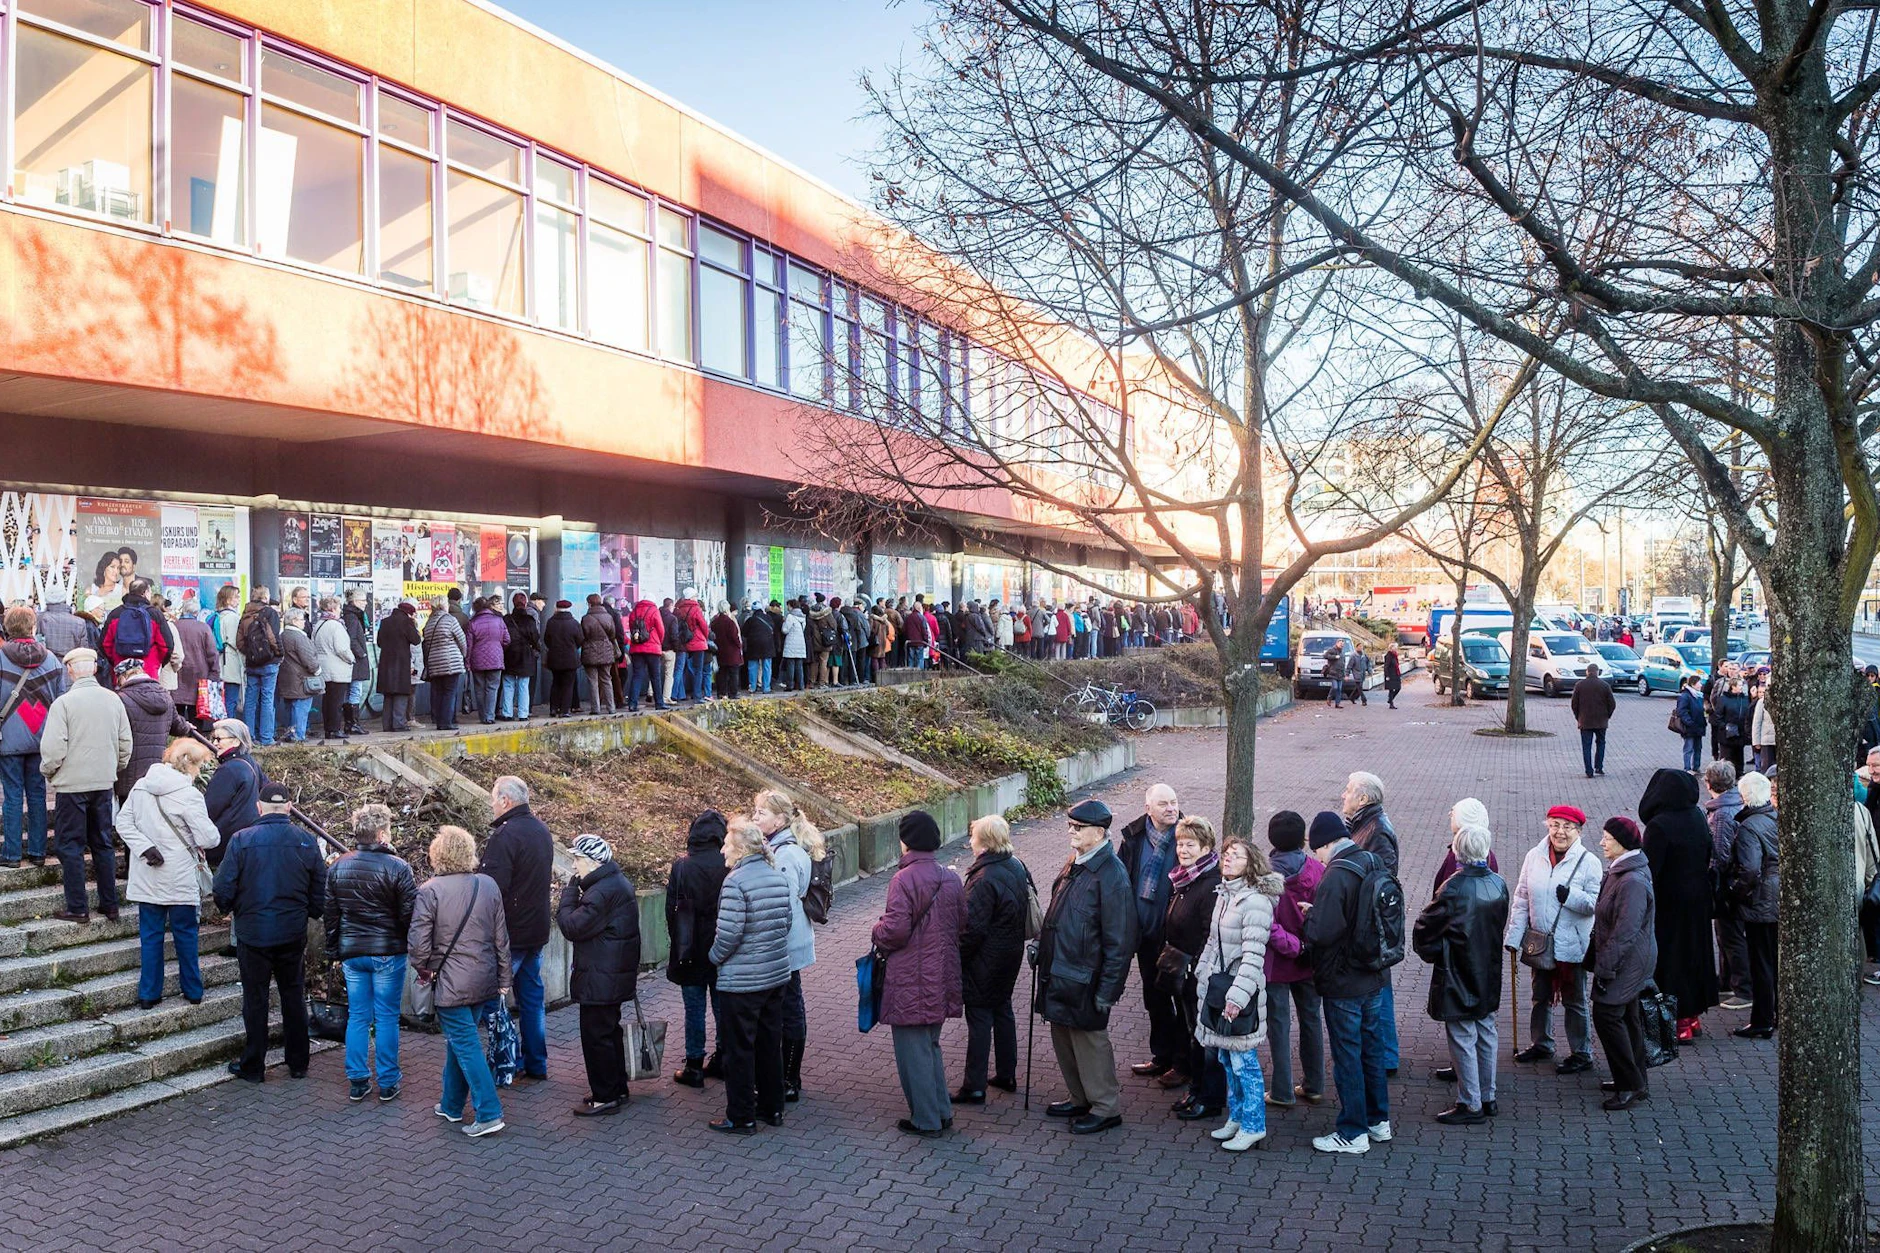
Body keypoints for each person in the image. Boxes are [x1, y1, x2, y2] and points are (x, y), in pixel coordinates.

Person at [212, 781, 324, 1083]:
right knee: (293, 995)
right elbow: (319, 890)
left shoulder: (242, 840)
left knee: (256, 999)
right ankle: (298, 1062)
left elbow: (222, 888)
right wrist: (310, 912)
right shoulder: (306, 840)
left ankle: (254, 1066)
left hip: (253, 932)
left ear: (258, 808)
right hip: (291, 931)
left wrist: (234, 908)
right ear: (289, 807)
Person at [1037, 798, 1137, 1136]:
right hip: (1062, 973)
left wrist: (1108, 990)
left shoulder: (1112, 876)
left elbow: (1120, 942)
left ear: (1099, 832)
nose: (1071, 832)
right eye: (1070, 826)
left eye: (1078, 828)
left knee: (1091, 1043)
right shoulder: (1077, 862)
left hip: (1086, 979)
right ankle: (1079, 1098)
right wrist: (1042, 945)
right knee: (1064, 1037)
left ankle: (1105, 1107)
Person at [869, 810, 967, 1137]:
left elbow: (895, 931)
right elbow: (961, 924)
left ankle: (925, 1119)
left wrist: (876, 930)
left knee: (913, 1051)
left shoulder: (904, 879)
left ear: (906, 841)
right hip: (942, 974)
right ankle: (941, 1111)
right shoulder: (950, 877)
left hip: (911, 976)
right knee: (931, 1045)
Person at [409, 825, 510, 1136]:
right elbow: (501, 938)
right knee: (460, 1043)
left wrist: (425, 970)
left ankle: (490, 1113)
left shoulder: (430, 890)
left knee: (466, 1045)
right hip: (484, 980)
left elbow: (418, 945)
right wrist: (504, 978)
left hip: (451, 983)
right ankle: (451, 1105)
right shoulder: (488, 885)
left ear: (438, 854)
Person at [1303, 810, 1392, 1155]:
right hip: (1374, 973)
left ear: (1325, 844)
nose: (1318, 859)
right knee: (1372, 1049)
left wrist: (1309, 915)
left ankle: (1352, 1132)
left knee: (1347, 1055)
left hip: (1343, 980)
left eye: (1318, 851)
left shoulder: (1336, 875)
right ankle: (1377, 1120)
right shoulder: (1371, 860)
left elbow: (1322, 933)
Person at [1413, 819, 1509, 1125]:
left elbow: (1425, 927)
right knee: (1485, 1031)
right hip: (1488, 968)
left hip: (1458, 970)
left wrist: (1434, 952)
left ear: (1457, 851)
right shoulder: (1498, 883)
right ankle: (1487, 1095)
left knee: (1464, 1034)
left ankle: (1471, 1102)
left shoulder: (1453, 888)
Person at [115, 739, 220, 1009]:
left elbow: (122, 822)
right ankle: (192, 989)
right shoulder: (189, 795)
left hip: (148, 874)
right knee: (186, 934)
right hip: (180, 877)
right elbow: (209, 838)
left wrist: (144, 847)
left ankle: (149, 994)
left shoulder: (141, 786)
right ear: (191, 765)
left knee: (150, 936)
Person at [1194, 834, 1283, 1151]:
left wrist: (1236, 997)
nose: (1227, 858)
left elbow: (1253, 956)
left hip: (1238, 995)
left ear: (1252, 865)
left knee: (1244, 1061)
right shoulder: (1224, 895)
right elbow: (1212, 943)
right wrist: (1201, 972)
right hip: (1217, 989)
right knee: (1225, 1056)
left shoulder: (1255, 902)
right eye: (1226, 853)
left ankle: (1254, 1124)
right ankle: (1236, 1117)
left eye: (1236, 855)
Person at [324, 803, 417, 1102]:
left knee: (358, 1016)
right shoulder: (398, 867)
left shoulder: (339, 865)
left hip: (353, 952)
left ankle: (357, 1079)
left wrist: (333, 950)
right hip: (387, 951)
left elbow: (331, 914)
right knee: (387, 1017)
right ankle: (388, 1082)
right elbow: (409, 914)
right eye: (388, 829)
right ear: (380, 834)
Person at [707, 817, 794, 1134]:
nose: (723, 850)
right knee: (770, 1044)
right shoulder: (776, 876)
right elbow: (785, 925)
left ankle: (741, 1116)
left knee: (739, 1050)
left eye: (727, 844)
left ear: (741, 848)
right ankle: (772, 1108)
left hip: (743, 982)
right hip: (775, 976)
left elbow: (728, 935)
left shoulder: (735, 882)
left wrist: (713, 958)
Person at [1502, 804, 1604, 1074]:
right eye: (1555, 825)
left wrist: (1570, 897)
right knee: (1540, 996)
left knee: (1575, 1000)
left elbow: (1595, 904)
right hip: (1540, 941)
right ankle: (1541, 1043)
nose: (1560, 832)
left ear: (1579, 830)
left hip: (1572, 945)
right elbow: (1522, 897)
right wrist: (1514, 936)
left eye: (1567, 827)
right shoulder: (1534, 856)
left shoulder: (1589, 862)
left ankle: (1581, 1052)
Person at [40, 648, 131, 924]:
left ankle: (78, 907)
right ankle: (110, 904)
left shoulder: (63, 704)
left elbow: (53, 749)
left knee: (70, 846)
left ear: (70, 671)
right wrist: (112, 768)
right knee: (103, 843)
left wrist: (50, 773)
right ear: (93, 669)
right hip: (102, 782)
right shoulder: (114, 700)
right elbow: (125, 744)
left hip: (71, 785)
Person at [556, 833, 642, 1116]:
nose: (574, 866)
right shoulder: (614, 884)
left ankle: (605, 1096)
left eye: (577, 859)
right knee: (608, 1032)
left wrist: (569, 893)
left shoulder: (602, 892)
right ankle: (616, 1089)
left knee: (597, 1037)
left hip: (601, 977)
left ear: (592, 862)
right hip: (610, 975)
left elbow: (571, 926)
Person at [480, 776, 554, 1084]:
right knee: (532, 999)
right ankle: (535, 1062)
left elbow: (491, 889)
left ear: (506, 801)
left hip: (510, 935)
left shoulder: (504, 837)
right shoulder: (541, 831)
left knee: (489, 998)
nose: (492, 805)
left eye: (494, 800)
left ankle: (506, 1058)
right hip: (536, 929)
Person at [1639, 767, 1720, 1041]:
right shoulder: (1696, 816)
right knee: (1695, 955)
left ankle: (1676, 1021)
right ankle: (1692, 1015)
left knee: (1670, 961)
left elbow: (1651, 869)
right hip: (1698, 899)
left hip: (1669, 905)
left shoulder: (1659, 825)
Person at [753, 788, 821, 1101]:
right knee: (787, 1007)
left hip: (785, 948)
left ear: (780, 819)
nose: (755, 818)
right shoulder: (781, 848)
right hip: (788, 945)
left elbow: (783, 906)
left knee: (789, 1009)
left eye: (761, 813)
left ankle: (790, 1078)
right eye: (754, 812)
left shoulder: (784, 854)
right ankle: (786, 1075)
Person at [956, 814, 1028, 1104]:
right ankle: (1006, 1073)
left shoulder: (983, 878)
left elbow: (971, 929)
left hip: (984, 959)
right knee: (1003, 1009)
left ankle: (974, 1085)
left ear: (983, 842)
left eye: (974, 836)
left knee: (979, 1017)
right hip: (1010, 953)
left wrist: (957, 958)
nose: (970, 841)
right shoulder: (1016, 866)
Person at [1118, 782, 1184, 1081]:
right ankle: (1162, 1055)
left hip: (1175, 938)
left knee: (1182, 1000)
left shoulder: (1187, 836)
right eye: (1163, 804)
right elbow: (1122, 881)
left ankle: (1183, 1064)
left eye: (1173, 802)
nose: (1171, 808)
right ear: (1148, 809)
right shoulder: (1133, 838)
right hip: (1144, 936)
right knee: (1154, 997)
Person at [1591, 815, 1657, 1111]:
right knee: (1627, 1017)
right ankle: (1634, 1080)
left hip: (1626, 962)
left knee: (1607, 1015)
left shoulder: (1631, 880)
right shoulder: (1622, 872)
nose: (1602, 842)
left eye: (1607, 838)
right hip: (1628, 959)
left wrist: (1605, 967)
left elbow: (1625, 932)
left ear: (1622, 842)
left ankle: (1629, 1084)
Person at [1160, 815, 1225, 1117]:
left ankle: (1208, 1098)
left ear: (1206, 847)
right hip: (1183, 973)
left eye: (1190, 845)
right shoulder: (1185, 879)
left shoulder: (1209, 885)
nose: (1183, 850)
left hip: (1200, 976)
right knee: (1192, 1033)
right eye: (1180, 844)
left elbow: (1209, 934)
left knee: (1204, 1038)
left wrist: (1195, 969)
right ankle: (1196, 1089)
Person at [1263, 810, 1326, 1107]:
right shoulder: (1318, 869)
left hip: (1277, 961)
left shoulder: (1264, 876)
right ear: (1303, 838)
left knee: (1278, 1024)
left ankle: (1282, 1090)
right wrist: (1304, 946)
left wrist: (1291, 946)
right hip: (1309, 957)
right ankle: (1314, 1084)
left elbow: (1266, 925)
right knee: (1311, 1019)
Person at [1341, 770, 1401, 1073]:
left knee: (1379, 989)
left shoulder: (1375, 829)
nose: (1344, 795)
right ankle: (1385, 1054)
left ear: (1363, 798)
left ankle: (1387, 1057)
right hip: (1370, 922)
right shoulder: (1364, 824)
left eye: (1349, 790)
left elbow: (1383, 880)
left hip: (1372, 925)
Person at [0, 607, 67, 867]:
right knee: (38, 794)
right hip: (42, 737)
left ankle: (12, 854)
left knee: (13, 796)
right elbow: (61, 701)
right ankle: (38, 853)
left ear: (7, 628)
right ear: (33, 627)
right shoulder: (52, 659)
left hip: (9, 739)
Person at [668, 810, 729, 1087]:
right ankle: (723, 1057)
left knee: (693, 1008)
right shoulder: (729, 863)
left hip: (689, 948)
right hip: (721, 946)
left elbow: (672, 910)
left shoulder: (682, 866)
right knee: (721, 1005)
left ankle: (693, 1064)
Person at [1727, 771, 1779, 1039]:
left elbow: (1749, 870)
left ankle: (1761, 1020)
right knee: (1774, 960)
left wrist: (1735, 893)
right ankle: (1777, 1013)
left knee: (1761, 963)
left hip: (1760, 901)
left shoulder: (1749, 827)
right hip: (1777, 896)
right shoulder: (1774, 817)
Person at [1701, 761, 1753, 1012]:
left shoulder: (1720, 813)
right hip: (1737, 879)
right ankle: (1727, 980)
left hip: (1728, 882)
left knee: (1730, 934)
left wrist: (1710, 875)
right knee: (1727, 933)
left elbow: (1720, 853)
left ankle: (1742, 988)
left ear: (1709, 783)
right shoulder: (1735, 804)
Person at [235, 591, 282, 747]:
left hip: (252, 663)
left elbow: (239, 642)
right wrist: (279, 654)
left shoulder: (245, 615)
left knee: (250, 699)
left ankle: (248, 737)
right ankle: (266, 737)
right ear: (265, 597)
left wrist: (250, 654)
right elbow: (273, 637)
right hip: (269, 662)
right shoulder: (270, 613)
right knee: (267, 699)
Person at [309, 597, 355, 744]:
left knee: (327, 700)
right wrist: (351, 658)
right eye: (339, 607)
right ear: (333, 609)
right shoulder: (336, 626)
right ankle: (335, 729)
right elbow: (342, 648)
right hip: (337, 668)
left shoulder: (319, 624)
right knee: (336, 701)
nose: (340, 610)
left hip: (323, 667)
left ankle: (328, 729)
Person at [421, 596, 468, 731]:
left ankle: (440, 722)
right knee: (449, 692)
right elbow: (461, 640)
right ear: (443, 605)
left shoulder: (429, 622)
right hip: (450, 662)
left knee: (439, 693)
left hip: (434, 663)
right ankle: (447, 722)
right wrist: (463, 655)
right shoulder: (450, 620)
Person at [170, 601, 218, 729]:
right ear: (196, 613)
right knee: (196, 712)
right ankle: (196, 742)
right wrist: (214, 673)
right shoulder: (203, 628)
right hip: (199, 676)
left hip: (176, 674)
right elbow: (212, 653)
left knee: (177, 713)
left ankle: (178, 741)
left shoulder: (173, 626)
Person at [374, 600, 421, 733]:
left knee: (388, 694)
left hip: (386, 662)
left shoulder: (385, 621)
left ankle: (387, 725)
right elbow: (416, 640)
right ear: (409, 613)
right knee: (401, 693)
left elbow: (379, 642)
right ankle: (399, 724)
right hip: (401, 662)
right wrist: (413, 624)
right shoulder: (406, 622)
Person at [464, 597, 510, 725]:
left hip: (477, 660)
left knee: (479, 689)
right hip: (496, 659)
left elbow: (469, 645)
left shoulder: (472, 623)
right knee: (492, 688)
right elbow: (507, 640)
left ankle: (482, 716)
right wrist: (498, 647)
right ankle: (490, 717)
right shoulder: (499, 621)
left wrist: (467, 662)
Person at [275, 611, 319, 743]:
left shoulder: (283, 635)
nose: (304, 622)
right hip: (301, 679)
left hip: (287, 677)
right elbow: (308, 658)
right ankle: (298, 735)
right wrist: (317, 670)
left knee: (290, 707)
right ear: (294, 621)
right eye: (301, 620)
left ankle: (291, 733)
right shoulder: (298, 637)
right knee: (301, 708)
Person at [1571, 661, 1616, 778]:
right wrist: (1607, 716)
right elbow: (1612, 704)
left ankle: (1588, 770)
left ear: (1587, 672)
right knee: (1601, 743)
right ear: (1597, 672)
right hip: (1601, 721)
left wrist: (1578, 717)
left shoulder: (1579, 685)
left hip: (1585, 721)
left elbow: (1574, 704)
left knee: (1586, 746)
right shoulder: (1605, 685)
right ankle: (1599, 767)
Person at [340, 590, 372, 737]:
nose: (366, 603)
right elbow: (351, 640)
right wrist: (362, 653)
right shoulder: (353, 618)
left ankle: (349, 723)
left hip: (352, 661)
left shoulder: (350, 616)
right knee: (355, 691)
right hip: (355, 661)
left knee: (350, 692)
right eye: (363, 600)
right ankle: (353, 723)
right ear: (355, 602)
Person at [579, 594, 619, 715]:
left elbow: (582, 636)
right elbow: (612, 635)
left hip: (590, 653)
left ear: (589, 603)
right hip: (606, 652)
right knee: (607, 679)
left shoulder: (586, 618)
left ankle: (595, 709)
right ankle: (611, 708)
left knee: (593, 681)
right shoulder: (608, 617)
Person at [541, 600, 581, 717]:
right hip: (570, 658)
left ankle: (553, 708)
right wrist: (573, 647)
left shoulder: (551, 622)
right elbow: (580, 640)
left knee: (556, 683)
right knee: (568, 685)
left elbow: (546, 640)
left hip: (554, 658)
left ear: (557, 608)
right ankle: (565, 710)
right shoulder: (574, 623)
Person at [626, 598, 668, 712]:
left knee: (637, 676)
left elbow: (631, 628)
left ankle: (632, 704)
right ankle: (659, 703)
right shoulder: (654, 610)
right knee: (655, 676)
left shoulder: (633, 611)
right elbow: (661, 629)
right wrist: (658, 642)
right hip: (652, 649)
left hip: (636, 648)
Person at [741, 601, 776, 695]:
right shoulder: (768, 618)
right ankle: (766, 688)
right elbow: (773, 629)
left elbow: (744, 633)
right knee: (767, 666)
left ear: (753, 610)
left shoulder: (750, 620)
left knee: (753, 666)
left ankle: (752, 687)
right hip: (767, 645)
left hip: (753, 645)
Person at [710, 603, 744, 700]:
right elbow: (734, 637)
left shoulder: (714, 622)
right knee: (734, 673)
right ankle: (733, 693)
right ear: (727, 610)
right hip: (732, 652)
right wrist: (739, 645)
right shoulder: (730, 622)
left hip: (720, 651)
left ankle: (721, 693)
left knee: (722, 673)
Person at [1675, 673, 1706, 772]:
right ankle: (1687, 768)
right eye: (1699, 683)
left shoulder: (1699, 696)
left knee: (1698, 748)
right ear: (1693, 684)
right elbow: (1681, 711)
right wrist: (1689, 722)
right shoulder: (1685, 696)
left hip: (1698, 726)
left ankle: (1696, 767)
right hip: (1690, 727)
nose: (1701, 685)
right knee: (1689, 748)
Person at [1383, 645, 1402, 709]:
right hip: (1391, 675)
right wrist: (1387, 676)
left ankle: (1390, 700)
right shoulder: (1389, 656)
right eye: (1394, 648)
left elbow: (1396, 665)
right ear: (1390, 648)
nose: (1395, 649)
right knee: (1391, 690)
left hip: (1396, 674)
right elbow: (1386, 666)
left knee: (1398, 688)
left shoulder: (1395, 655)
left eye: (1396, 648)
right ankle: (1391, 704)